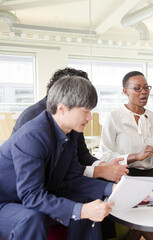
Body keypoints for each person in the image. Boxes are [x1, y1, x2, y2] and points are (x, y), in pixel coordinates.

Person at [0, 76, 115, 240]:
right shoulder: (32, 136)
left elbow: (72, 178)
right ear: (62, 108)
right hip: (6, 201)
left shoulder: (71, 133)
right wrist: (80, 210)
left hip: (30, 196)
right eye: (86, 111)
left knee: (86, 201)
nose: (90, 117)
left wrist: (112, 189)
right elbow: (31, 195)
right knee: (33, 218)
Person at [12, 67, 128, 183]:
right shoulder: (33, 118)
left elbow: (81, 154)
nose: (89, 117)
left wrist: (104, 165)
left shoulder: (72, 118)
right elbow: (47, 174)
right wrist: (100, 171)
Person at [99, 71, 153, 187]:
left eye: (146, 88)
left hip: (150, 172)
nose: (144, 92)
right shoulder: (113, 117)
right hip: (125, 172)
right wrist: (135, 156)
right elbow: (105, 156)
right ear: (126, 92)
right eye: (137, 88)